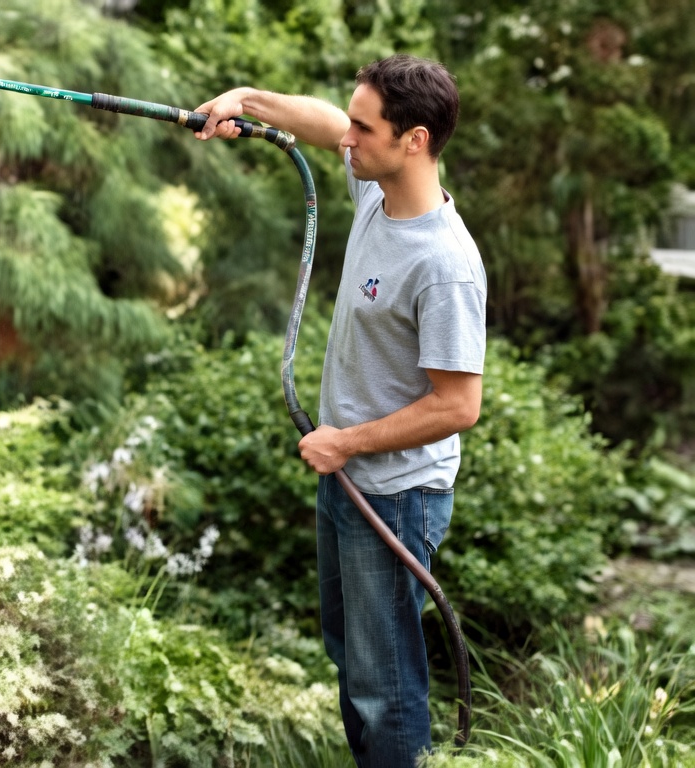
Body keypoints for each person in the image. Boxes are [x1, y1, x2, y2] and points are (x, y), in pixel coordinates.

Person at [194, 55, 486, 767]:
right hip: (348, 478)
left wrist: (347, 442)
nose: (346, 139)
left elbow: (458, 406)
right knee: (353, 661)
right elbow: (326, 124)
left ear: (414, 140)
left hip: (396, 494)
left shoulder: (443, 265)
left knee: (385, 688)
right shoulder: (376, 191)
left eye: (365, 128)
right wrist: (246, 99)